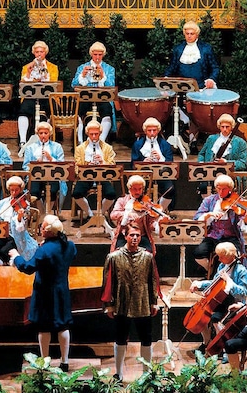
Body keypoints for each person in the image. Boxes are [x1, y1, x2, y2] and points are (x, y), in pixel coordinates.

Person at [10, 215, 77, 373]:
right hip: (61, 290)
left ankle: (44, 362)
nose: (40, 229)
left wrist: (16, 258)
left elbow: (28, 267)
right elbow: (67, 255)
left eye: (43, 227)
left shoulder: (44, 250)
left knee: (43, 326)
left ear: (49, 232)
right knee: (62, 325)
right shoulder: (70, 245)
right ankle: (64, 361)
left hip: (44, 292)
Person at [101, 224, 162, 380]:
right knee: (120, 338)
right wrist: (108, 305)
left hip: (143, 302)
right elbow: (107, 282)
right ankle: (119, 373)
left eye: (138, 235)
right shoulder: (114, 257)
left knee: (146, 338)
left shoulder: (148, 257)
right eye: (132, 235)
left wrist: (154, 301)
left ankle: (146, 374)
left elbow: (153, 280)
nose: (135, 238)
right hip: (122, 302)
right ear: (125, 236)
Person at [164, 20, 219, 144]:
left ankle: (192, 141)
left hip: (200, 89)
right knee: (177, 109)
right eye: (187, 33)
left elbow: (215, 68)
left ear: (197, 34)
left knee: (196, 114)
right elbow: (171, 68)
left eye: (192, 33)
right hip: (181, 89)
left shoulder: (205, 49)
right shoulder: (178, 49)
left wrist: (211, 79)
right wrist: (166, 79)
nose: (189, 36)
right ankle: (183, 136)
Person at [189, 242, 247, 351]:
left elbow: (242, 293)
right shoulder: (222, 266)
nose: (219, 259)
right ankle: (207, 342)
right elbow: (215, 283)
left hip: (234, 303)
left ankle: (224, 347)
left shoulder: (242, 271)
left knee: (215, 317)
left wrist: (229, 282)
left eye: (222, 257)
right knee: (202, 315)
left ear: (230, 256)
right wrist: (199, 284)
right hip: (221, 300)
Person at [192, 175, 247, 272]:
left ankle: (230, 276)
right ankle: (211, 270)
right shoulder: (209, 201)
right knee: (198, 253)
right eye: (218, 189)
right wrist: (209, 215)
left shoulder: (236, 202)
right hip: (213, 236)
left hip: (231, 237)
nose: (220, 192)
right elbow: (197, 219)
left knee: (235, 256)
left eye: (224, 189)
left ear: (230, 189)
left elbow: (243, 225)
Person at [0, 176, 40, 266]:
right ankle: (2, 268)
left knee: (4, 252)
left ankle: (8, 269)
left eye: (16, 190)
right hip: (3, 234)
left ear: (21, 189)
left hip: (16, 236)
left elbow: (22, 224)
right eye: (11, 190)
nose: (14, 193)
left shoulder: (25, 204)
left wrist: (19, 216)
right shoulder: (4, 202)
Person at [71, 120, 118, 220]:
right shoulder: (80, 148)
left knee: (111, 194)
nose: (93, 137)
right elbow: (76, 167)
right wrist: (87, 165)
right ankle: (90, 214)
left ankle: (100, 214)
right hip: (86, 176)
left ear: (100, 133)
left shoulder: (107, 148)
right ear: (87, 133)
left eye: (96, 134)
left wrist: (103, 162)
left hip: (103, 176)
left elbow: (113, 165)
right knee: (76, 193)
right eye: (91, 134)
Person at [71, 41, 115, 144]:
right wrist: (82, 74)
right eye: (95, 54)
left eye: (100, 55)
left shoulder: (109, 69)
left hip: (102, 98)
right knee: (79, 110)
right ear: (91, 54)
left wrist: (103, 74)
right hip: (85, 98)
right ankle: (81, 141)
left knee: (107, 110)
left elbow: (111, 85)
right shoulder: (83, 67)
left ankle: (102, 141)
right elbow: (74, 84)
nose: (97, 57)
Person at [18, 40, 59, 148]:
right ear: (34, 53)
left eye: (41, 52)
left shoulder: (53, 67)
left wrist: (44, 75)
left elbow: (54, 83)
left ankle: (47, 139)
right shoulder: (27, 66)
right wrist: (28, 72)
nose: (39, 54)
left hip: (47, 96)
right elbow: (23, 83)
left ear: (45, 53)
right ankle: (22, 141)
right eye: (37, 52)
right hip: (31, 96)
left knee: (52, 110)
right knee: (23, 111)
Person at [130, 117, 175, 211]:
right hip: (143, 176)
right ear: (145, 131)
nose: (151, 133)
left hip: (161, 175)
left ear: (158, 131)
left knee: (170, 189)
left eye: (154, 130)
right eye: (149, 130)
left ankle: (159, 211)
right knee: (137, 188)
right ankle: (140, 210)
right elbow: (133, 163)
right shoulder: (137, 145)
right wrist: (143, 163)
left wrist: (160, 158)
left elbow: (170, 163)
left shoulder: (165, 144)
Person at [196, 114, 247, 194]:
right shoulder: (211, 139)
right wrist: (202, 165)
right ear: (219, 127)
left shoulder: (240, 142)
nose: (224, 129)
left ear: (232, 127)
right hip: (211, 173)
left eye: (227, 127)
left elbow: (243, 163)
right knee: (203, 187)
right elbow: (201, 154)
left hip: (230, 175)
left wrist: (226, 162)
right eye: (222, 127)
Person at [20, 121, 67, 209]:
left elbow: (62, 165)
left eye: (46, 133)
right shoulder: (30, 148)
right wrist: (35, 164)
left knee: (53, 190)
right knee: (34, 191)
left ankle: (47, 213)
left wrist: (51, 159)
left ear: (50, 134)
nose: (43, 135)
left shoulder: (57, 147)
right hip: (35, 176)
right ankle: (42, 214)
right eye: (41, 133)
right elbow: (25, 166)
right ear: (37, 134)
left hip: (53, 176)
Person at [109, 175, 159, 254]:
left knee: (148, 255)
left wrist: (157, 225)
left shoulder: (147, 203)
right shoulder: (122, 201)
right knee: (118, 254)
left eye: (140, 189)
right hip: (124, 236)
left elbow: (151, 223)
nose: (137, 192)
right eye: (135, 189)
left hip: (141, 236)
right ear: (129, 188)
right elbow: (113, 215)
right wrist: (127, 214)